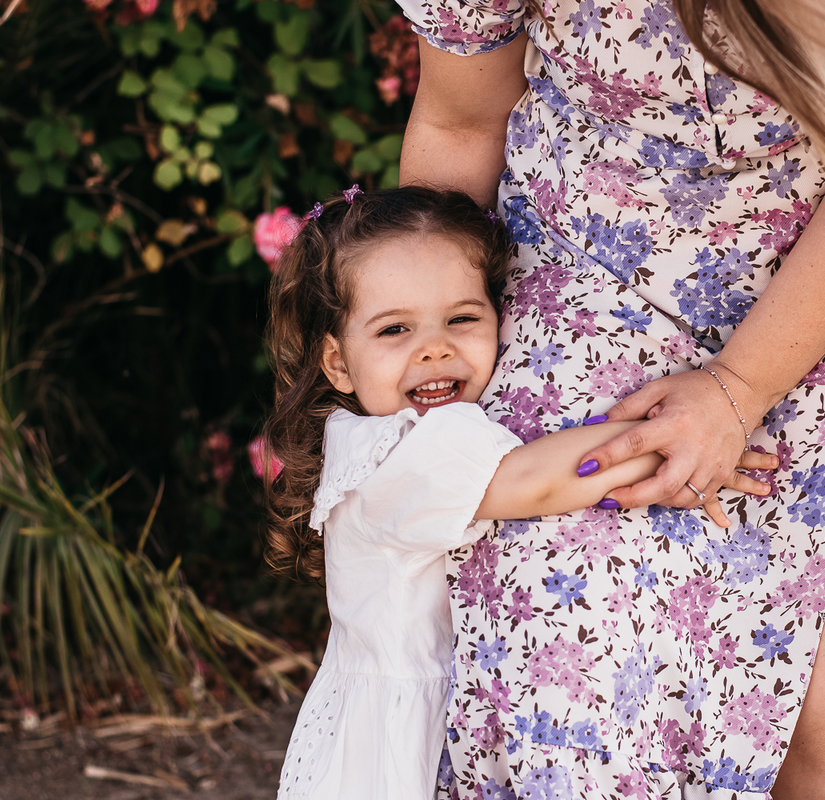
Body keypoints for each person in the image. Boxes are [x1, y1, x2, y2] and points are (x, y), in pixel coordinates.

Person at [395, 1, 825, 798]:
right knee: (574, 690)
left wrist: (738, 389)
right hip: (586, 263)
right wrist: (409, 381)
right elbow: (463, 117)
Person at [260, 186, 773, 799]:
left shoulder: (408, 435)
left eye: (462, 318)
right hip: (393, 756)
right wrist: (675, 440)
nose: (434, 347)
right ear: (338, 364)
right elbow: (532, 480)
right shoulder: (384, 456)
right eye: (394, 329)